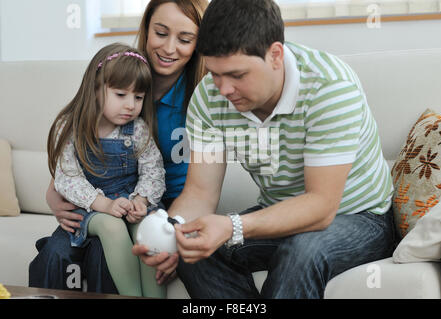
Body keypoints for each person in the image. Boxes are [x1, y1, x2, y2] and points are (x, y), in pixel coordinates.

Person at [133, 0, 396, 298]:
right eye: (215, 73)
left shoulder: (330, 88)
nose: (223, 90)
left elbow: (322, 206)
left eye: (237, 75)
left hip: (358, 217)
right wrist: (173, 233)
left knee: (304, 249)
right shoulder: (209, 97)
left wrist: (232, 226)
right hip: (277, 215)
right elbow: (199, 194)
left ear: (275, 55)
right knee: (194, 250)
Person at [29, 0, 208, 294]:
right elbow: (68, 171)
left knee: (140, 237)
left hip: (156, 207)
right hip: (97, 206)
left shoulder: (196, 101)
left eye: (185, 39)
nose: (169, 48)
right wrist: (58, 192)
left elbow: (161, 175)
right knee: (72, 253)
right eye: (161, 33)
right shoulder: (120, 73)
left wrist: (144, 202)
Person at [47, 43, 168, 297]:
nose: (130, 106)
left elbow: (153, 170)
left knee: (151, 229)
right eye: (121, 95)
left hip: (130, 200)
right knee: (111, 226)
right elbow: (67, 179)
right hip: (92, 207)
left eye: (138, 97)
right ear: (96, 89)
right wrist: (103, 204)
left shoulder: (137, 129)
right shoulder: (69, 128)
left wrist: (141, 200)